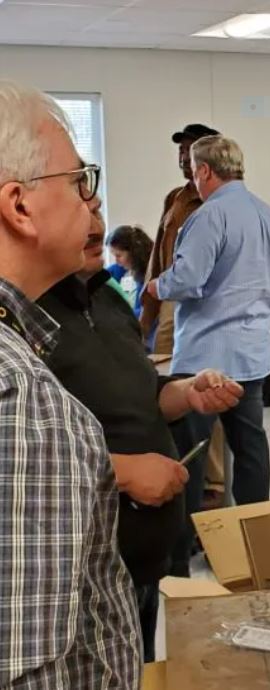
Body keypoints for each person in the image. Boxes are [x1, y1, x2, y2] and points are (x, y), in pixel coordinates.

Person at [38, 201, 243, 662]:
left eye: (95, 206)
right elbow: (20, 452)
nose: (94, 222)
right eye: (74, 199)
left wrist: (188, 392)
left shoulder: (107, 297)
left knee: (138, 666)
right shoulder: (23, 320)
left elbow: (143, 395)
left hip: (143, 555)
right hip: (77, 571)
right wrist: (123, 473)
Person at [0, 79, 139, 686]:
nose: (91, 203)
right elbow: (24, 664)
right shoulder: (19, 393)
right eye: (80, 182)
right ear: (19, 206)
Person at [147, 134, 270, 573]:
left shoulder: (210, 217)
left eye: (192, 169)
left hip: (206, 358)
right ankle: (254, 541)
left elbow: (189, 279)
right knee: (250, 449)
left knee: (190, 452)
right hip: (252, 353)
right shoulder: (268, 215)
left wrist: (156, 286)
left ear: (204, 171)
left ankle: (182, 552)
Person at [142, 122, 228, 512]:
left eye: (190, 152)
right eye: (180, 152)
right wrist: (146, 311)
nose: (182, 158)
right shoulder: (175, 199)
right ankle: (177, 475)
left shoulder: (221, 204)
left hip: (203, 309)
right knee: (169, 391)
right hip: (168, 306)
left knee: (206, 392)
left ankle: (212, 485)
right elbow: (157, 257)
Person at [107, 223, 153, 317]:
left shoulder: (149, 277)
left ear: (133, 252)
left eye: (119, 255)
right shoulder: (119, 269)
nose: (116, 260)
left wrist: (119, 315)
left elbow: (146, 313)